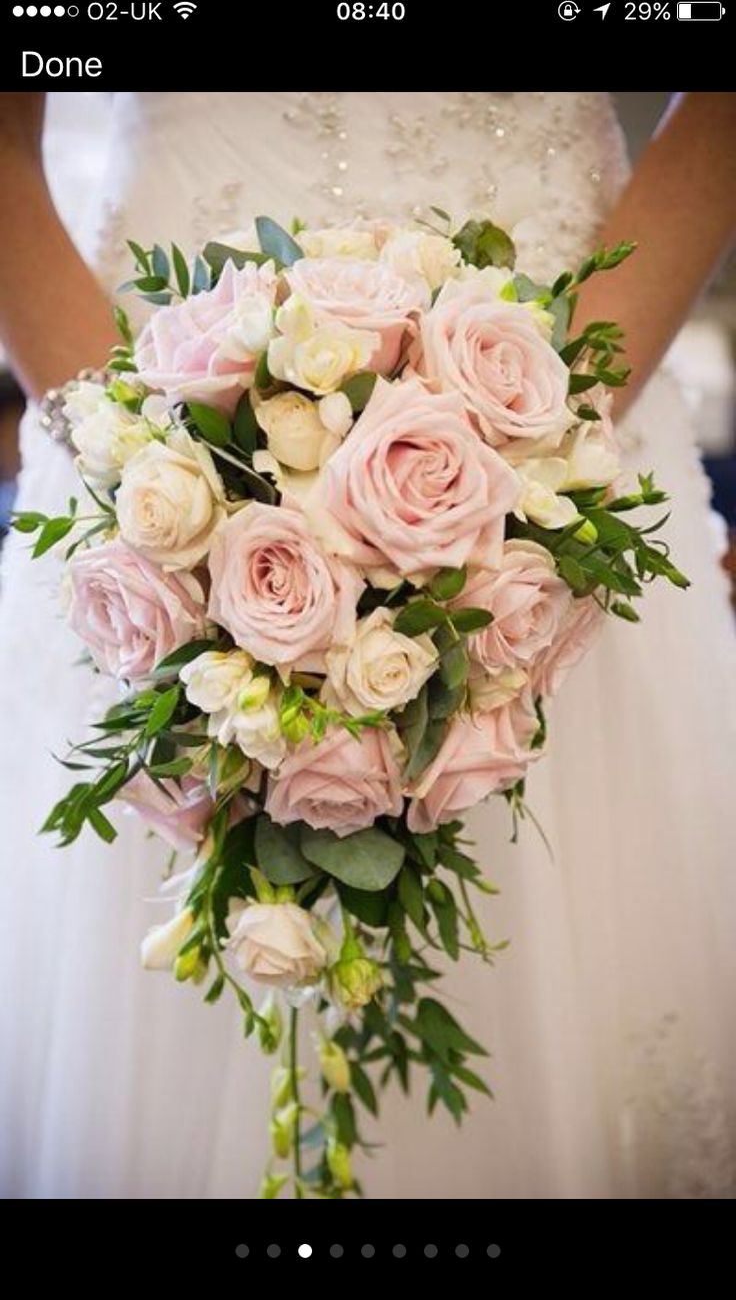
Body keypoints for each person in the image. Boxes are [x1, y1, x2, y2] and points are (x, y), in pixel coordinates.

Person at [0, 92, 734, 1198]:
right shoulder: (144, 463)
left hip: (572, 418)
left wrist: (533, 446)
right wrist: (148, 465)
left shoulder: (551, 439)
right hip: (146, 390)